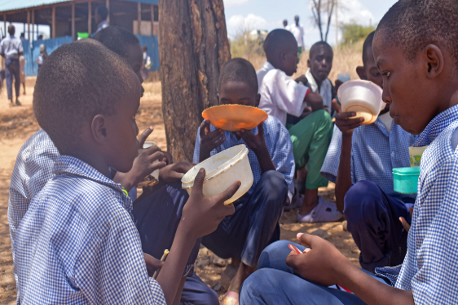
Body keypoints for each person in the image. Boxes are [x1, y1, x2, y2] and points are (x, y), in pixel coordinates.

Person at [241, 0, 458, 304]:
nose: (382, 93)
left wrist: (342, 272)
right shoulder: (440, 139)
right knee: (276, 254)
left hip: (407, 294)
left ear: (431, 63)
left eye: (388, 73)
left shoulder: (448, 157)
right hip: (398, 278)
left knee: (260, 286)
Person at [14, 39, 240, 304]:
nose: (136, 130)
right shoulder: (105, 211)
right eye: (132, 117)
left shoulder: (43, 203)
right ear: (101, 129)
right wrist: (188, 232)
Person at [194, 58, 295, 304]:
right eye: (227, 103)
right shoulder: (208, 131)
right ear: (217, 101)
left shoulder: (273, 131)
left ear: (258, 102)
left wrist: (261, 152)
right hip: (221, 225)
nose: (235, 110)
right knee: (180, 189)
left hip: (261, 225)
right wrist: (205, 153)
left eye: (244, 104)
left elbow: (285, 195)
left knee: (272, 181)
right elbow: (198, 190)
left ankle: (241, 276)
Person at [320, 31, 416, 273]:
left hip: (425, 221)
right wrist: (346, 138)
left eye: (391, 74)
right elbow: (344, 204)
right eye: (377, 73)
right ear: (362, 74)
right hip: (380, 229)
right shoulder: (347, 123)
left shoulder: (419, 114)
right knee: (361, 194)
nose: (385, 84)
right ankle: (379, 276)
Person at [257, 29, 340, 223]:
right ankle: (309, 206)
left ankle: (292, 197)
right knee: (323, 121)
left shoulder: (260, 75)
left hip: (261, 151)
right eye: (296, 55)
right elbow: (314, 98)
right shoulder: (276, 76)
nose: (297, 60)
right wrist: (319, 107)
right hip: (273, 152)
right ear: (283, 56)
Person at [293, 41, 335, 118]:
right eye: (319, 59)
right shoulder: (300, 84)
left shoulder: (329, 84)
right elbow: (291, 119)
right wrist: (316, 114)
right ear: (309, 63)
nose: (324, 63)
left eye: (328, 60)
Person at [0, 25, 23, 107]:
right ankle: (17, 99)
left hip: (8, 61)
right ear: (14, 31)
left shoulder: (4, 41)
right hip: (15, 61)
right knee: (17, 79)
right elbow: (21, 51)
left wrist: (7, 57)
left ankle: (10, 100)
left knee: (9, 80)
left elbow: (1, 52)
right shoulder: (17, 40)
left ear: (8, 31)